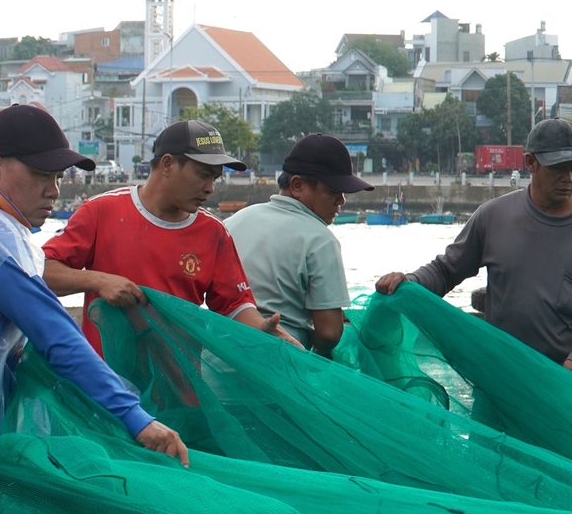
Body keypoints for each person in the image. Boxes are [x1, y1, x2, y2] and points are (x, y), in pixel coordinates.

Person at [0, 105, 188, 462]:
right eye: (41, 174)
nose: (54, 190)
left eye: (59, 176)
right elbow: (57, 337)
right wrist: (135, 418)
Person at [43, 118, 296, 351]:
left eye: (215, 179)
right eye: (203, 175)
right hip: (107, 387)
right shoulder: (101, 211)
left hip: (181, 388)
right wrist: (99, 281)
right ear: (167, 164)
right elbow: (42, 272)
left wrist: (262, 330)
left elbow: (235, 305)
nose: (210, 188)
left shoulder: (214, 232)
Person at [375, 117, 572, 366]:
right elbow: (446, 271)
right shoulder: (493, 216)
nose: (568, 177)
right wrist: (408, 281)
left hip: (563, 385)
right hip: (497, 378)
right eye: (558, 167)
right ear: (530, 163)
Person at [223, 134, 368, 356]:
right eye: (332, 191)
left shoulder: (233, 222)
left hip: (217, 360)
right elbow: (329, 332)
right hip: (279, 367)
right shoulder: (320, 239)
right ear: (297, 185)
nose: (341, 200)